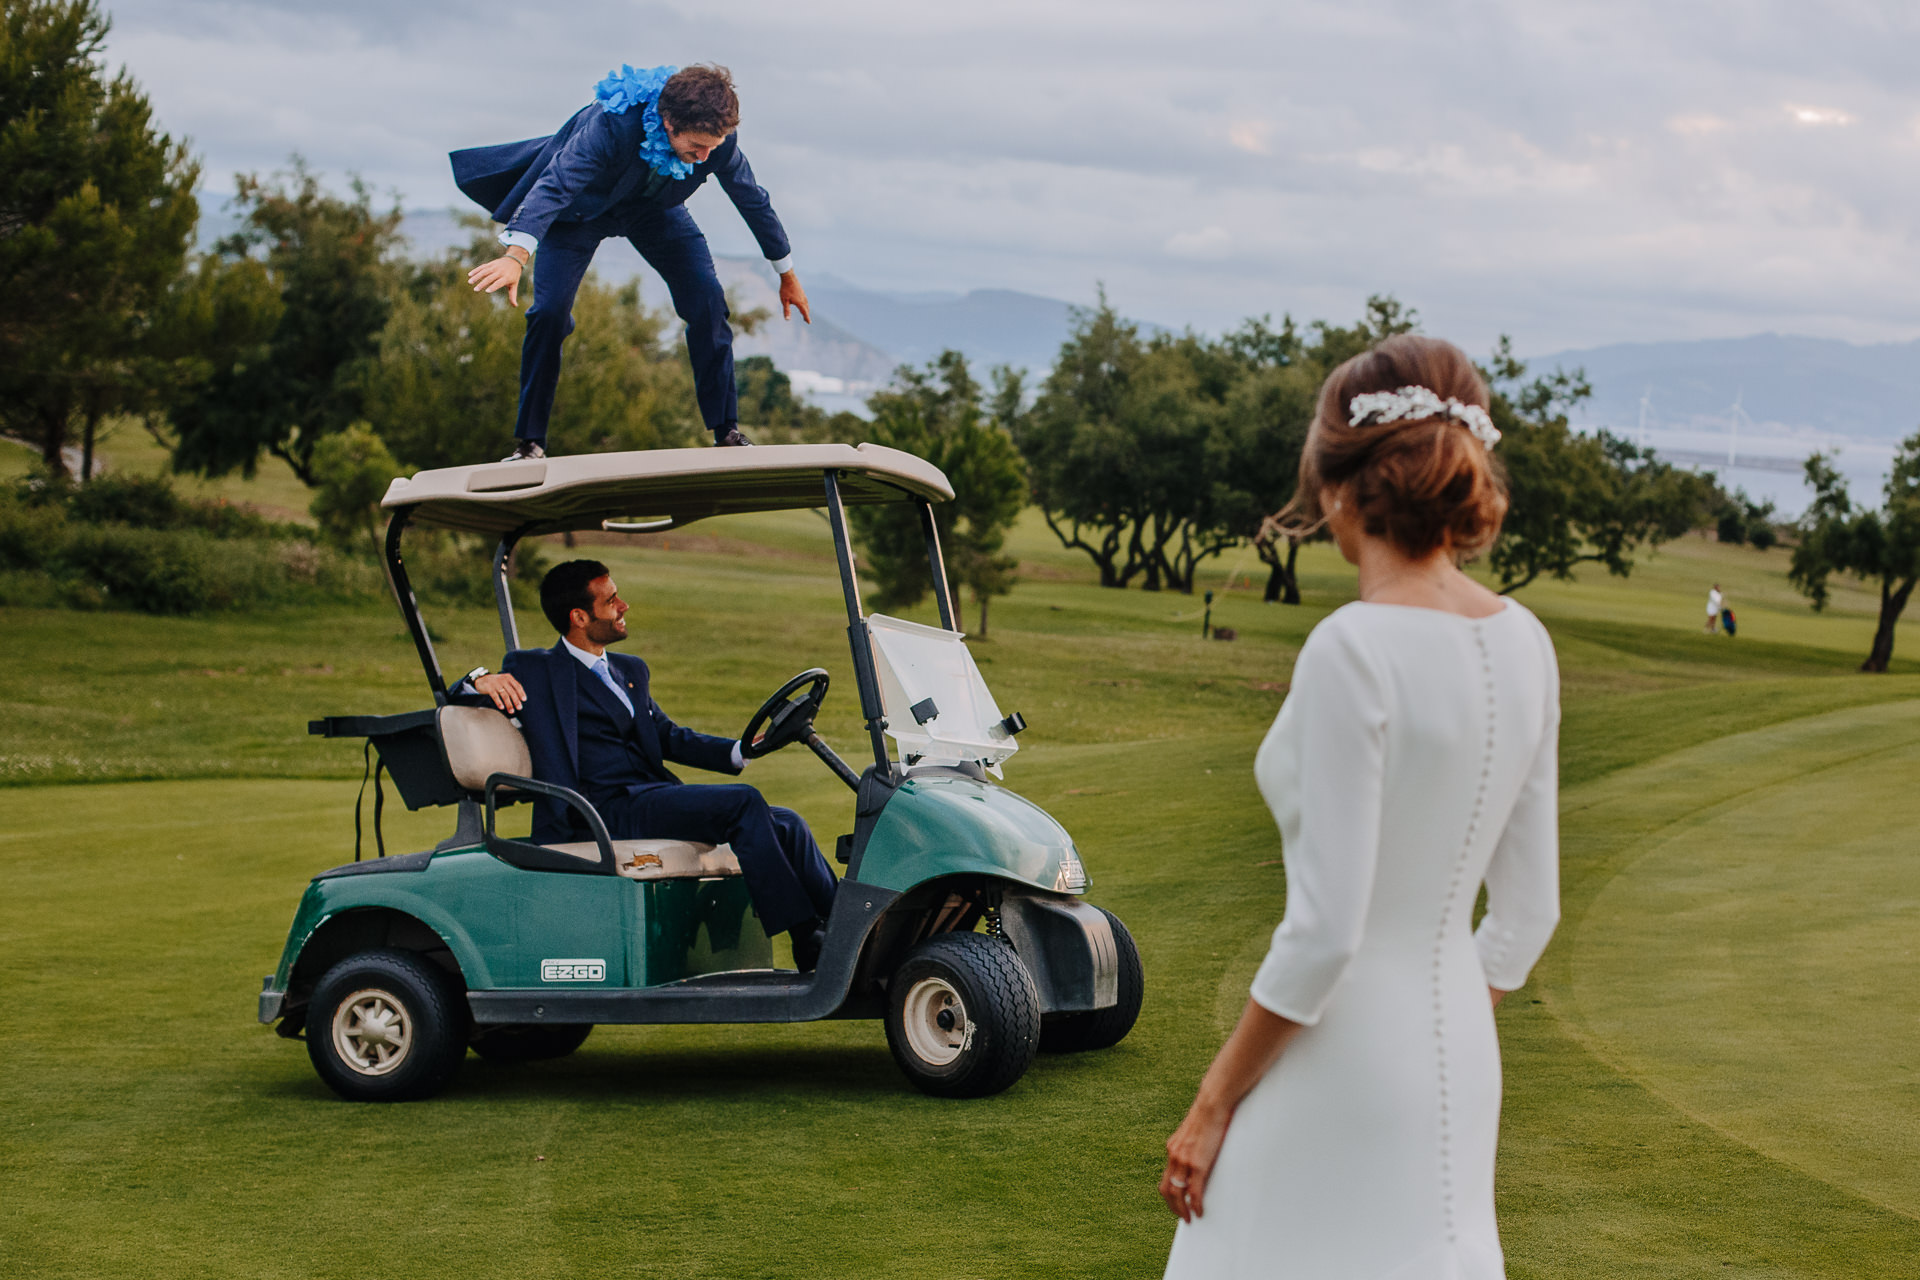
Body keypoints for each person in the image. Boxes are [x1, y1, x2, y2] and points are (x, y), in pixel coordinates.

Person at [1159, 335, 1562, 1279]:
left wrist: (1213, 1100)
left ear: (1338, 487)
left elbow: (1327, 934)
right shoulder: (1527, 642)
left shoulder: (1353, 647)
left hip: (1336, 1053)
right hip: (1458, 1047)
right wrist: (1441, 999)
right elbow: (1528, 914)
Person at [453, 559, 837, 970]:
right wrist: (478, 678)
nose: (624, 606)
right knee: (743, 803)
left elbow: (667, 735)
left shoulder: (629, 670)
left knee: (788, 822)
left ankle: (842, 926)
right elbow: (463, 696)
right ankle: (805, 937)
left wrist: (740, 750)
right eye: (611, 600)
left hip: (650, 799)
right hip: (597, 808)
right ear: (579, 617)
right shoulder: (535, 669)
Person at [452, 63, 811, 461]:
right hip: (580, 211)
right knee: (549, 313)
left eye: (714, 146)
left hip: (655, 211)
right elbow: (558, 183)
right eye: (697, 146)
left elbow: (752, 200)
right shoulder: (612, 125)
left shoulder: (718, 142)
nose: (705, 157)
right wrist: (516, 256)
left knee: (708, 301)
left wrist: (787, 273)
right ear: (668, 121)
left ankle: (726, 431)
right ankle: (531, 443)